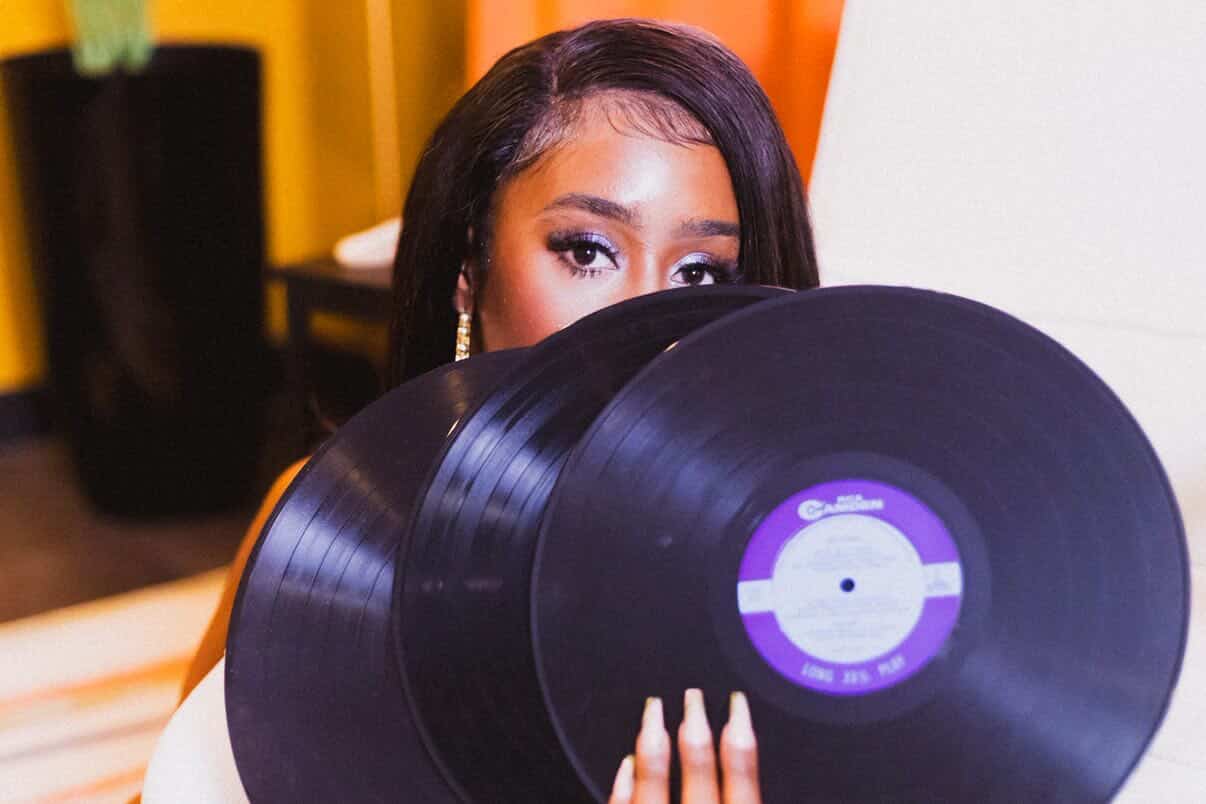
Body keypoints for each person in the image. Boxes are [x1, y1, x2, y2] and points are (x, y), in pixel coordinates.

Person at [166, 18, 819, 803]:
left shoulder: (813, 584)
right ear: (469, 270)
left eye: (701, 275)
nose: (649, 317)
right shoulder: (322, 531)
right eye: (586, 250)